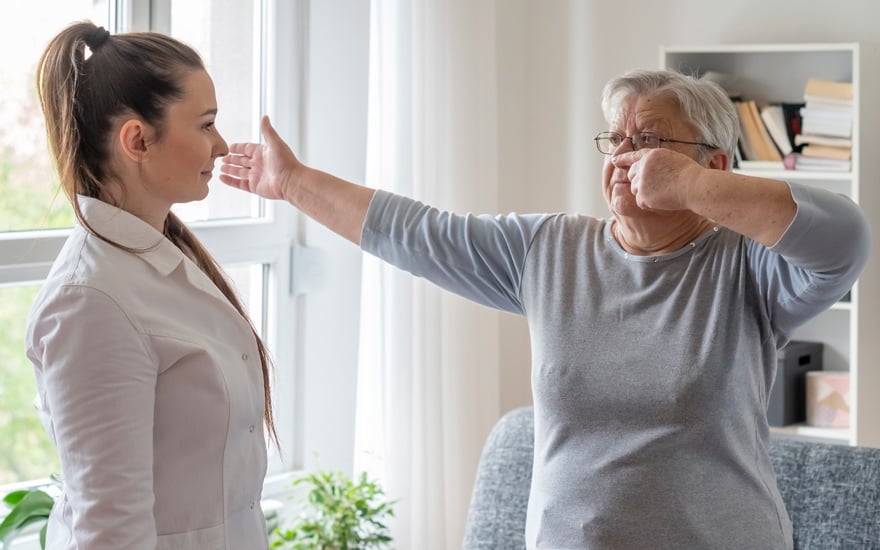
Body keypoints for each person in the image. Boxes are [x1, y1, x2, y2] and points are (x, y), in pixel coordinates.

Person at [220, 69, 870, 549]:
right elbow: (418, 232)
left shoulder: (751, 268)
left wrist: (694, 190)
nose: (622, 158)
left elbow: (845, 238)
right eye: (615, 140)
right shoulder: (549, 248)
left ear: (716, 163)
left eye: (649, 141)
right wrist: (292, 184)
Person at [25, 21, 276, 549]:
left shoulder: (162, 257)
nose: (222, 144)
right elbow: (110, 531)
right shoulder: (90, 303)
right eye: (206, 125)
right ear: (137, 139)